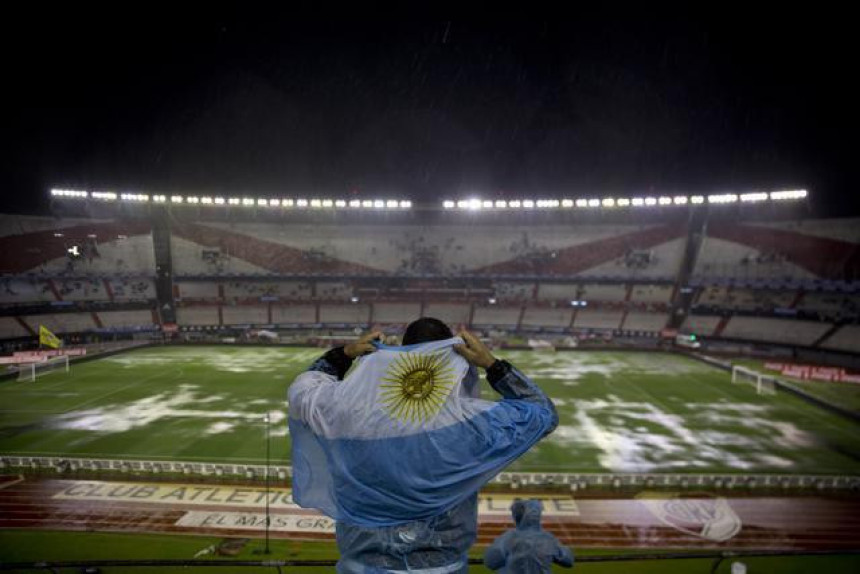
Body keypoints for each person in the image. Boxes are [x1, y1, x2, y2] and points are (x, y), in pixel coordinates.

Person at [288, 317, 558, 573]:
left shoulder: (345, 413)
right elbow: (543, 413)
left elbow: (304, 390)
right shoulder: (474, 423)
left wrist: (343, 354)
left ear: (401, 357)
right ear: (455, 359)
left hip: (359, 567)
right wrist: (492, 365)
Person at [484, 499, 574, 573]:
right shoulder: (549, 539)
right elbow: (568, 561)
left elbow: (490, 562)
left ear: (516, 516)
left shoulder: (508, 538)